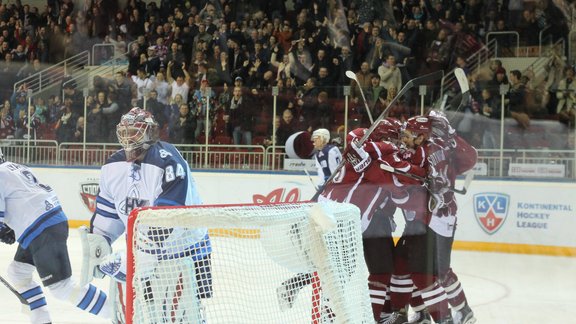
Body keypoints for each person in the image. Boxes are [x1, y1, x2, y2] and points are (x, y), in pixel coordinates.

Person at [86, 107, 211, 321]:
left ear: (150, 133)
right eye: (124, 132)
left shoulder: (169, 161)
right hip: (141, 252)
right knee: (145, 314)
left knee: (183, 316)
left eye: (135, 131)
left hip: (186, 251)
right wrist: (98, 247)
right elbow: (108, 216)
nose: (128, 137)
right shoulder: (111, 167)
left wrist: (133, 262)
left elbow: (167, 221)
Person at [0, 148, 111, 323]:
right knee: (18, 272)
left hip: (41, 229)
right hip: (45, 223)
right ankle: (41, 320)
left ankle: (119, 313)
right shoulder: (11, 167)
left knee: (62, 288)